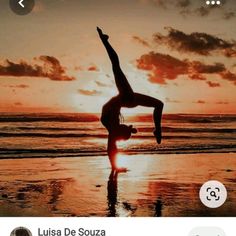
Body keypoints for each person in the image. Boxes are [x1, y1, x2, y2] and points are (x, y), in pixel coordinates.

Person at [97, 27, 164, 171]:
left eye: (125, 128)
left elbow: (111, 147)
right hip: (126, 100)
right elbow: (113, 144)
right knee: (159, 104)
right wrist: (115, 167)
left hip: (125, 100)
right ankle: (157, 130)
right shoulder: (114, 126)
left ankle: (105, 41)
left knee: (116, 67)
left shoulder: (112, 123)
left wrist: (115, 167)